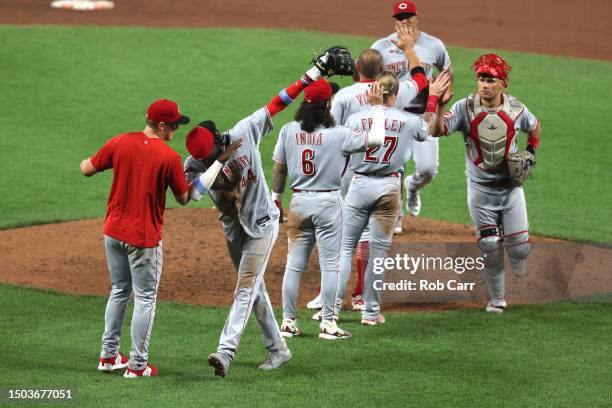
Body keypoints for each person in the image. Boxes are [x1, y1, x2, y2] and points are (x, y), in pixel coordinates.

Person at [184, 55, 339, 377]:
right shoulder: (196, 162)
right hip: (233, 231)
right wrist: (217, 162)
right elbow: (194, 193)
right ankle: (279, 350)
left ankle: (225, 353)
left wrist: (313, 73)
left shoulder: (244, 130)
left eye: (208, 154)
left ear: (215, 139)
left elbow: (279, 102)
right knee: (254, 291)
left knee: (245, 288)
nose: (201, 160)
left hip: (262, 225)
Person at [80, 99, 232, 378]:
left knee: (119, 291)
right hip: (143, 238)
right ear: (161, 126)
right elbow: (185, 198)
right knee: (145, 298)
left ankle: (108, 356)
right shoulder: (168, 157)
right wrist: (217, 165)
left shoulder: (121, 142)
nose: (176, 129)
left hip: (113, 232)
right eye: (174, 125)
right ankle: (138, 365)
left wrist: (117, 163)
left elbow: (86, 168)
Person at [307, 24, 429, 313]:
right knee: (369, 240)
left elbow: (330, 132)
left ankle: (329, 298)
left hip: (350, 171)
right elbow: (421, 80)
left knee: (339, 235)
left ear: (357, 69)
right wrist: (410, 49)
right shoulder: (398, 91)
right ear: (384, 71)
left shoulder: (345, 96)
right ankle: (362, 297)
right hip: (387, 176)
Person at [271, 78, 385, 340]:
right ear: (328, 105)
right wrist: (377, 107)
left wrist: (276, 199)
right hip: (329, 204)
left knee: (294, 265)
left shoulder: (288, 130)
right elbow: (377, 138)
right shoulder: (340, 134)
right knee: (331, 265)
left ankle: (287, 322)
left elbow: (279, 168)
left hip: (298, 203)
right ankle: (328, 324)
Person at [335, 71, 450, 325]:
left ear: (372, 92)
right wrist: (432, 98)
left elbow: (341, 147)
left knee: (344, 249)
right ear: (396, 95)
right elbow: (427, 129)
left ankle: (331, 311)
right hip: (389, 187)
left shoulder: (354, 119)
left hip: (359, 184)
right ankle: (371, 312)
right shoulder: (408, 120)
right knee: (378, 252)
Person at [429, 53, 541, 313]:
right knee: (490, 246)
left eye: (490, 79)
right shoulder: (463, 108)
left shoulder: (516, 109)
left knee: (520, 248)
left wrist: (531, 151)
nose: (484, 83)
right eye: (481, 78)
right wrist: (439, 105)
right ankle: (497, 299)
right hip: (480, 192)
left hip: (511, 190)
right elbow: (436, 131)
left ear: (503, 82)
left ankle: (517, 255)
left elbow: (535, 128)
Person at [372, 0, 452, 231]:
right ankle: (394, 215)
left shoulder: (434, 45)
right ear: (395, 21)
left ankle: (413, 187)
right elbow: (370, 79)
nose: (405, 21)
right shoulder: (381, 46)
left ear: (417, 17)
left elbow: (447, 73)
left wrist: (443, 95)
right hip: (395, 117)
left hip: (424, 116)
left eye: (408, 16)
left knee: (428, 170)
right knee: (393, 168)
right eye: (399, 17)